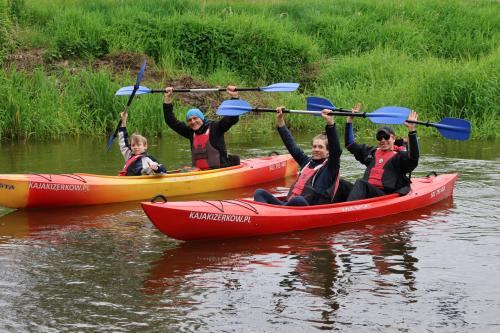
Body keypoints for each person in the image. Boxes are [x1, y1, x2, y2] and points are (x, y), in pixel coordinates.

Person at [253, 106, 352, 206]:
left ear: (327, 152)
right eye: (314, 146)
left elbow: (336, 150)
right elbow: (291, 146)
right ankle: (269, 214)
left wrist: (330, 124)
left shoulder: (330, 168)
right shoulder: (306, 162)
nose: (316, 149)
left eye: (320, 147)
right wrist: (280, 120)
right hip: (288, 205)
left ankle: (275, 214)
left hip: (305, 208)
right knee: (259, 193)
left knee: (298, 200)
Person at [344, 105, 419, 201]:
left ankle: (347, 211)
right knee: (341, 183)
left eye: (386, 137)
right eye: (379, 137)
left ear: (393, 138)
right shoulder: (371, 152)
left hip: (384, 195)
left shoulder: (400, 157)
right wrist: (349, 120)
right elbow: (350, 144)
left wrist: (412, 130)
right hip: (367, 191)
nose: (383, 140)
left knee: (360, 183)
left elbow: (414, 158)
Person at [163, 85, 240, 170]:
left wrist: (234, 97)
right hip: (200, 172)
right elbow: (171, 121)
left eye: (195, 118)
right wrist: (167, 99)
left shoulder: (216, 128)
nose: (192, 122)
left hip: (220, 170)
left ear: (202, 118)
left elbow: (232, 118)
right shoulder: (190, 132)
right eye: (189, 120)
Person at [117, 112, 167, 176]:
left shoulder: (149, 158)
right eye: (133, 145)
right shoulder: (129, 154)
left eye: (138, 145)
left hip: (140, 182)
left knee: (148, 170)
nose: (135, 147)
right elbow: (123, 142)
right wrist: (123, 121)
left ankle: (146, 171)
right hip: (128, 181)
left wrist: (156, 168)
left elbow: (164, 170)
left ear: (145, 146)